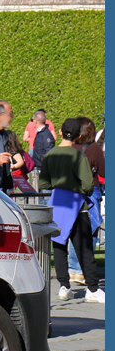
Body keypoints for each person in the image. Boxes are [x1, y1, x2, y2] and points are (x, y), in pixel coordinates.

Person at [39, 118, 103, 304]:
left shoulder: (50, 155)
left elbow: (43, 182)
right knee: (84, 248)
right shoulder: (79, 156)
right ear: (79, 136)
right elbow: (88, 185)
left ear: (59, 132)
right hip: (78, 207)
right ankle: (92, 288)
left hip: (58, 203)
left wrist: (58, 186)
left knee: (59, 245)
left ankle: (64, 286)